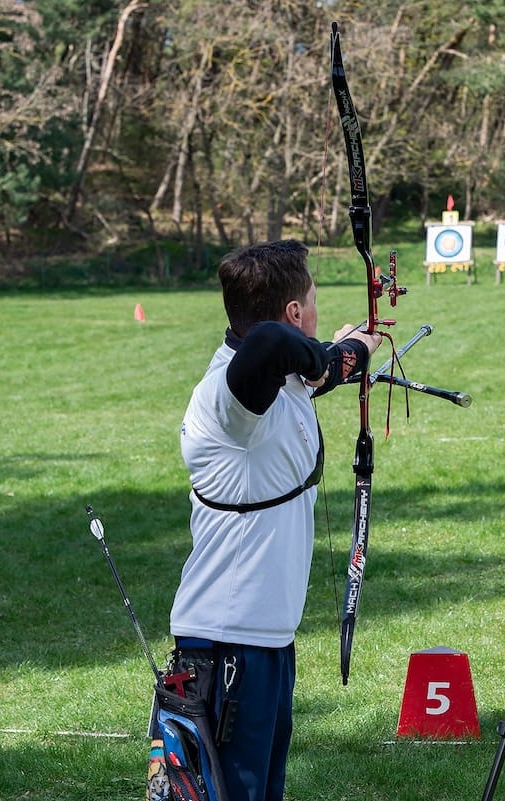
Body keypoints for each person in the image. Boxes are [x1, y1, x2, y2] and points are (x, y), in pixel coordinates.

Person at [167, 239, 381, 801]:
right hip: (225, 642)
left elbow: (298, 371)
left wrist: (347, 352)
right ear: (293, 315)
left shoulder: (272, 387)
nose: (315, 311)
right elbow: (268, 346)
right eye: (310, 301)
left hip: (263, 638)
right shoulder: (227, 397)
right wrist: (329, 358)